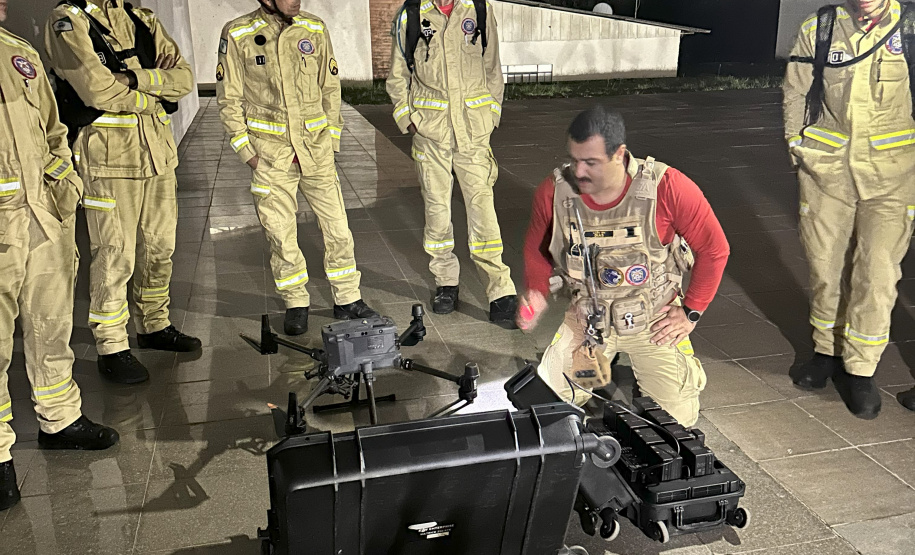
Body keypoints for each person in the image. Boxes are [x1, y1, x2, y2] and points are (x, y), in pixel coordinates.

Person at [518, 106, 729, 427]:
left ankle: (678, 369)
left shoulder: (667, 187)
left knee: (678, 422)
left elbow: (714, 249)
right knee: (545, 405)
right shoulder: (555, 190)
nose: (580, 171)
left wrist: (690, 312)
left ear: (619, 153)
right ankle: (595, 369)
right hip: (588, 317)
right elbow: (537, 246)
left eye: (591, 162)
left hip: (654, 319)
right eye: (574, 160)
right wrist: (536, 290)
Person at [0, 0, 119, 512]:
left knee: (51, 325)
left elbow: (52, 130)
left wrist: (61, 182)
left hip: (41, 218)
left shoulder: (17, 53)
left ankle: (60, 418)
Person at [44, 0, 201, 385]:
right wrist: (152, 96)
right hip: (108, 160)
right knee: (114, 255)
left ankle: (153, 325)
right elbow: (96, 89)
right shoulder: (67, 21)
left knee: (159, 247)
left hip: (158, 156)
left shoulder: (141, 18)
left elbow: (183, 78)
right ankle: (111, 345)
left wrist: (132, 80)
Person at [783, 0, 915, 418]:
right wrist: (796, 148)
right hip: (827, 172)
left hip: (893, 177)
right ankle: (826, 350)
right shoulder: (821, 28)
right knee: (824, 265)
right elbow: (796, 89)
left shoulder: (908, 28)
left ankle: (860, 370)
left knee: (876, 274)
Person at [216, 0, 379, 335]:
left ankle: (347, 298)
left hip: (316, 151)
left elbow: (330, 88)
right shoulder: (237, 33)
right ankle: (295, 302)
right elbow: (228, 99)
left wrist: (332, 139)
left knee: (338, 230)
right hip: (270, 155)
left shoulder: (314, 28)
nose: (297, 1)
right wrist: (248, 153)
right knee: (281, 234)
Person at [386, 0, 518, 323]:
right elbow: (397, 76)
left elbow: (493, 68)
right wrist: (410, 120)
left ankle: (500, 289)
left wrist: (492, 116)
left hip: (473, 131)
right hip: (431, 133)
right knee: (437, 209)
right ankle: (446, 281)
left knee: (483, 208)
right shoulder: (413, 14)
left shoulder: (479, 9)